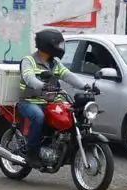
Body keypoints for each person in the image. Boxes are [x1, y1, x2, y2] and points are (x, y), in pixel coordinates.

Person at [17, 29, 92, 167]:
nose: (60, 48)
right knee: (39, 117)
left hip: (51, 101)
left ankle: (62, 145)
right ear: (47, 45)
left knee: (71, 112)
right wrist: (42, 85)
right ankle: (32, 153)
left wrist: (86, 86)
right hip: (29, 101)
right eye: (58, 45)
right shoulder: (29, 61)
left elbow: (68, 75)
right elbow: (29, 78)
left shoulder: (55, 64)